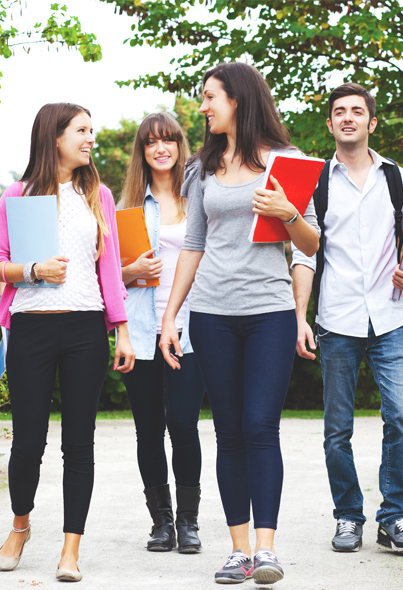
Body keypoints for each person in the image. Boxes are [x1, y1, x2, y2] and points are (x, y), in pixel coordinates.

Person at [159, 62, 320, 585]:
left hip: (269, 312)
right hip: (211, 314)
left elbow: (312, 244)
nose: (203, 108)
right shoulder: (202, 166)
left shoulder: (287, 162)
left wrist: (287, 211)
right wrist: (171, 316)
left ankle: (267, 550)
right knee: (227, 432)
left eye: (211, 98)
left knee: (258, 426)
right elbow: (193, 244)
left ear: (240, 99)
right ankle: (238, 550)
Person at [0, 102, 135, 582]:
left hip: (86, 328)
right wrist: (33, 271)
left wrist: (122, 329)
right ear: (54, 137)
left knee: (79, 443)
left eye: (93, 129)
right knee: (28, 442)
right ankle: (20, 526)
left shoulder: (99, 196)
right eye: (82, 131)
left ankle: (71, 548)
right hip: (31, 326)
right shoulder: (18, 194)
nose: (91, 139)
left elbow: (108, 269)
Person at [292, 83, 403, 553]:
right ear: (331, 123)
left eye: (358, 111)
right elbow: (304, 253)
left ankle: (393, 516)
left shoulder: (395, 176)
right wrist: (300, 316)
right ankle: (348, 517)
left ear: (372, 123)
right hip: (337, 321)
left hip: (392, 317)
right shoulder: (316, 181)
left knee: (400, 417)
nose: (348, 117)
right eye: (340, 111)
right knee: (338, 430)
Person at [118, 113, 206, 553]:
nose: (160, 148)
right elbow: (106, 279)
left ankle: (189, 521)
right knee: (148, 429)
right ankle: (162, 522)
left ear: (179, 145)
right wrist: (128, 271)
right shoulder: (127, 209)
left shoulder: (201, 198)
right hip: (141, 329)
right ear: (143, 152)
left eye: (168, 139)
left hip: (191, 327)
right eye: (151, 142)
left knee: (183, 424)